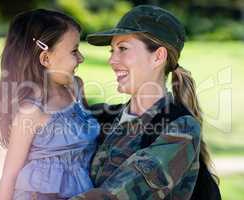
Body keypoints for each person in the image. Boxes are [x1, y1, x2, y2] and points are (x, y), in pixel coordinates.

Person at [70, 5, 220, 200]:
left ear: (158, 56)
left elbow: (114, 196)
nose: (112, 60)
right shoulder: (103, 117)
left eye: (123, 48)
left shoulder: (180, 128)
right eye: (112, 51)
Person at [0, 9, 100, 200]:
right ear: (45, 59)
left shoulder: (75, 88)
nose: (81, 58)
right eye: (74, 51)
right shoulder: (32, 111)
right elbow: (9, 176)